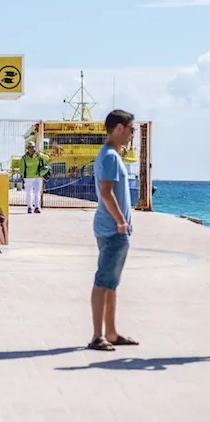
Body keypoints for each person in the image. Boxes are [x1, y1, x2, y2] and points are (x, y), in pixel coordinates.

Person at [88, 109, 138, 352]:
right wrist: (121, 221)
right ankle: (98, 335)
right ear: (119, 129)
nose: (132, 135)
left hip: (114, 229)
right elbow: (106, 192)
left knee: (111, 283)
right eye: (131, 130)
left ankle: (112, 332)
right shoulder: (109, 157)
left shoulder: (111, 155)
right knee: (102, 281)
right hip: (112, 230)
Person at [19, 141, 50, 213]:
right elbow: (22, 168)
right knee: (29, 193)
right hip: (28, 177)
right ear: (27, 149)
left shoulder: (38, 156)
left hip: (37, 176)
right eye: (30, 148)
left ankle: (37, 207)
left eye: (33, 147)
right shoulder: (24, 158)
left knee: (37, 192)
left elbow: (47, 158)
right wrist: (22, 177)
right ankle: (29, 207)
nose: (31, 149)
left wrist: (39, 154)